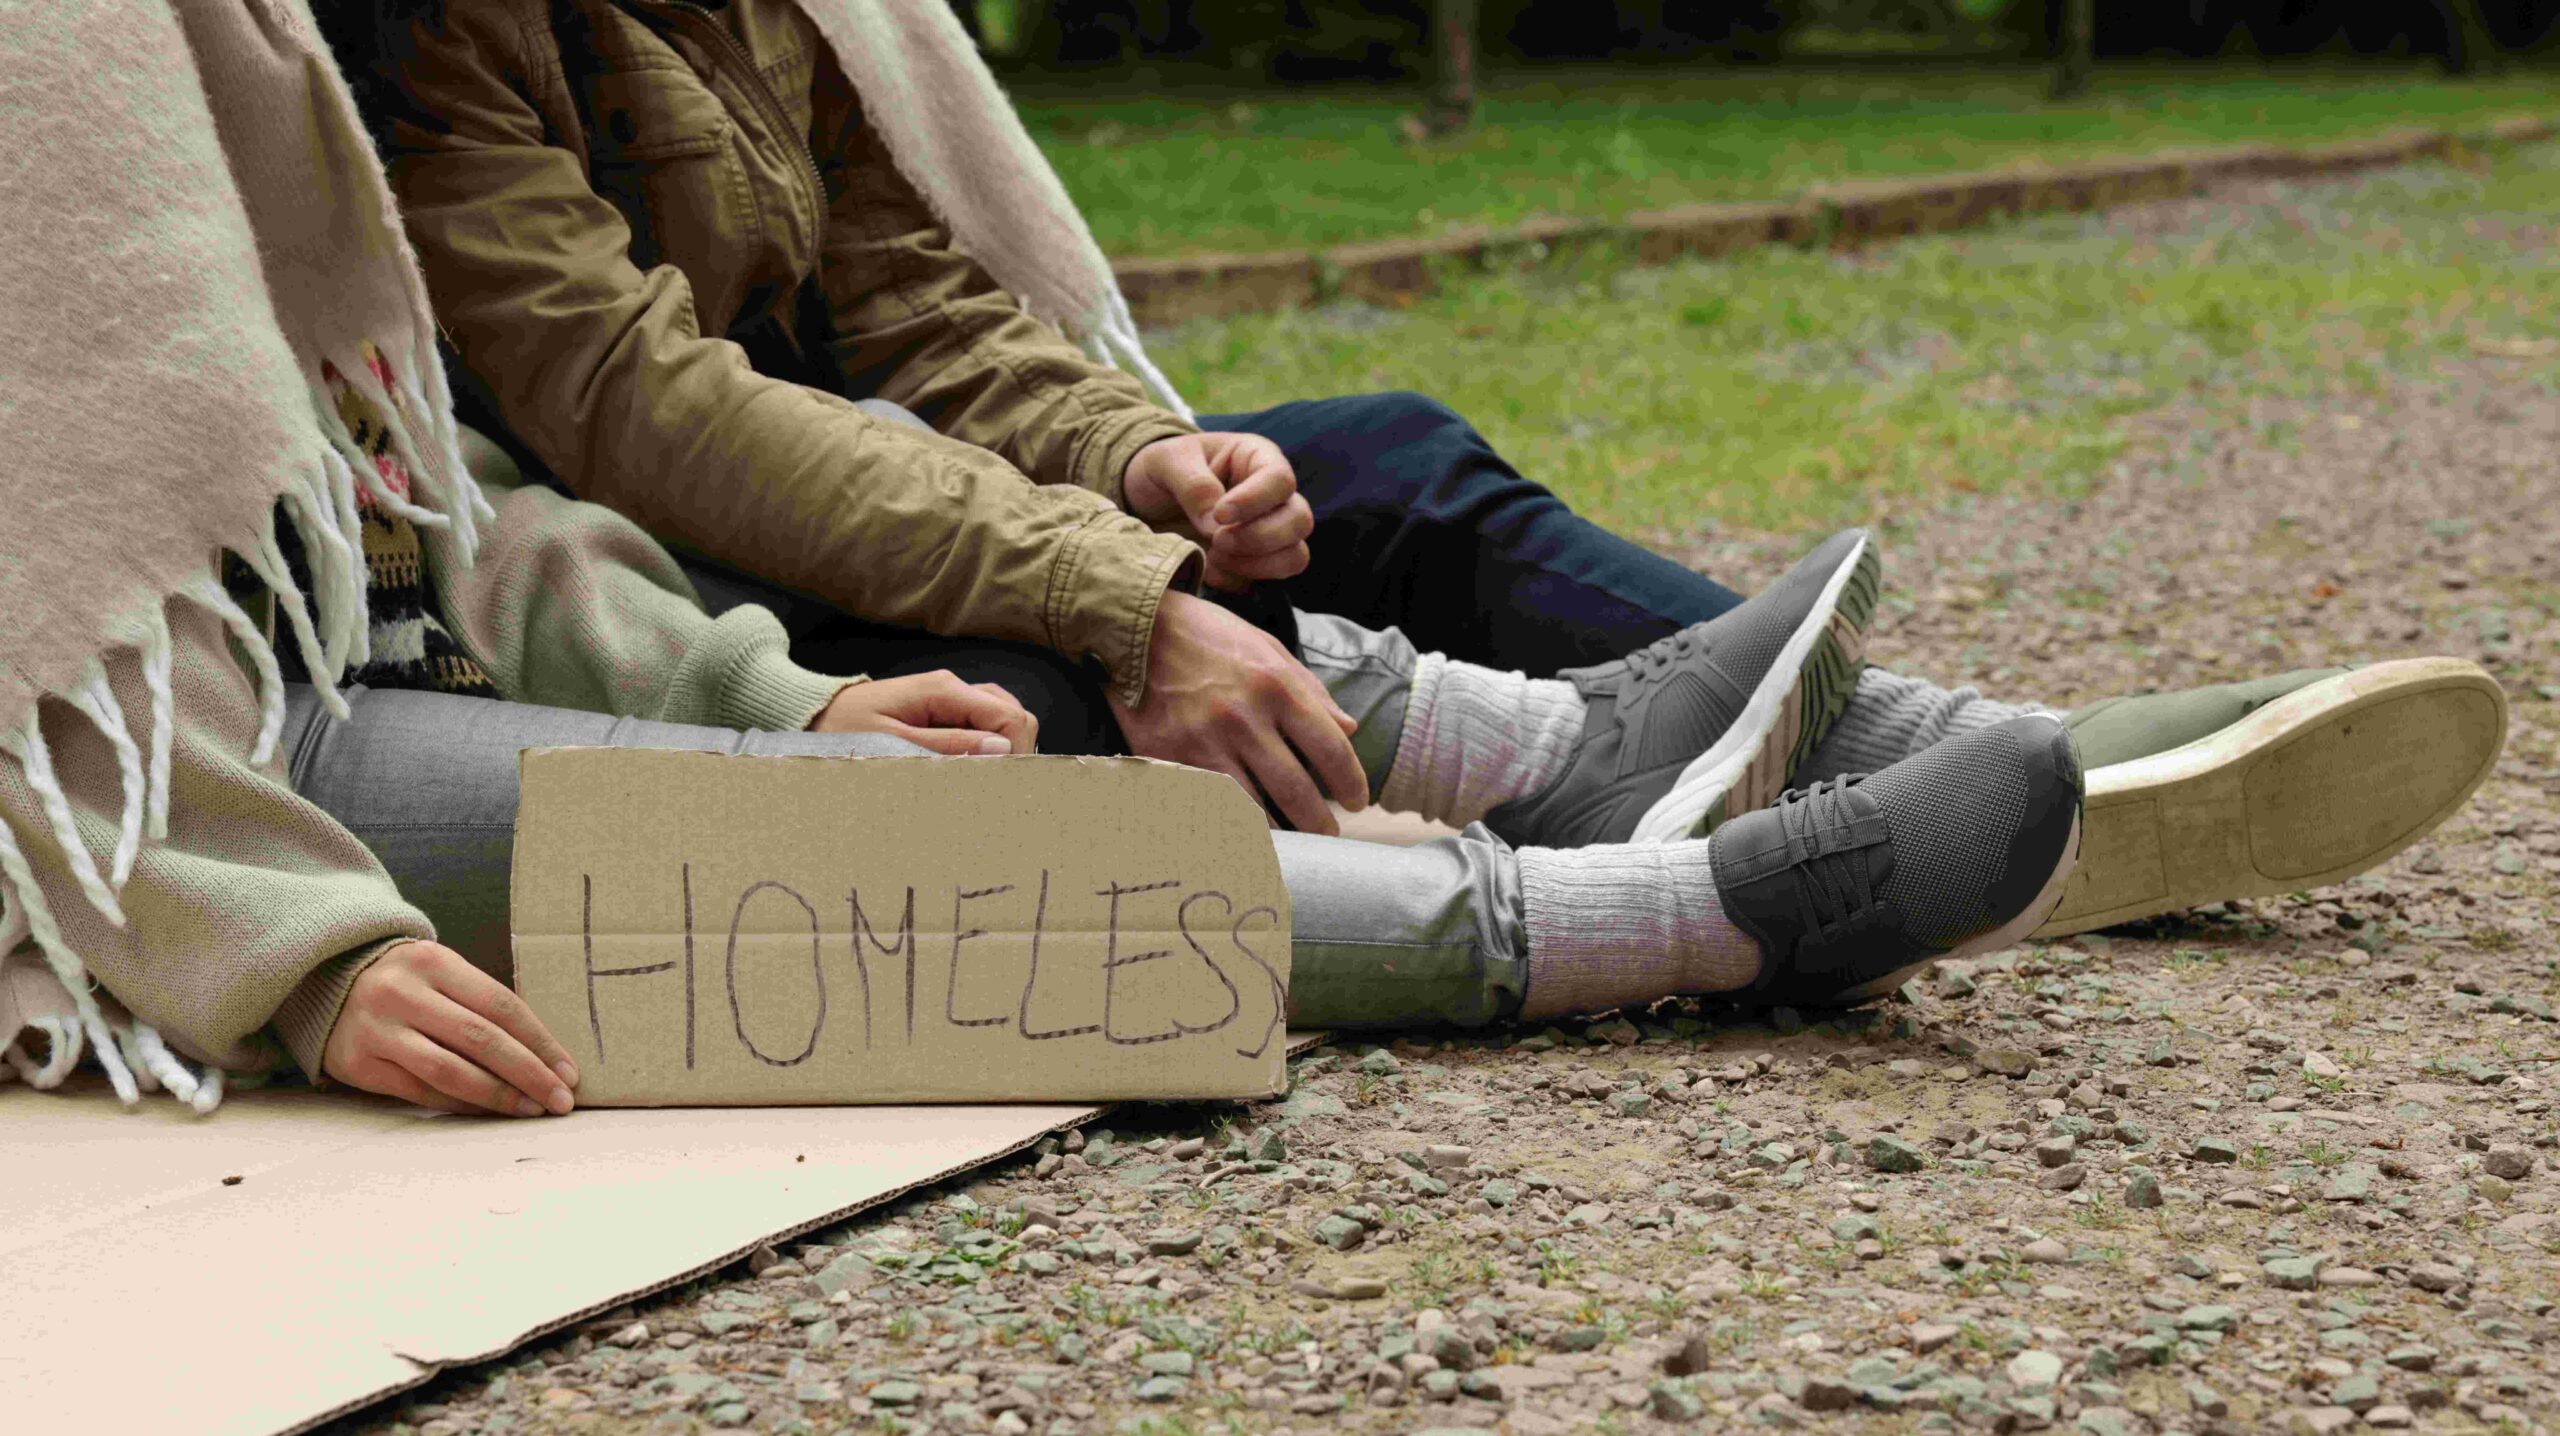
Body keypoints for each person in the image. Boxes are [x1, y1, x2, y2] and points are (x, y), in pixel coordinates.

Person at [0, 0, 2099, 1117]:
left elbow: (474, 507)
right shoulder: (348, 56)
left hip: (671, 563)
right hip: (246, 758)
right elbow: (91, 648)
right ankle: (1683, 903)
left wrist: (1141, 470)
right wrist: (287, 957)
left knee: (1357, 472)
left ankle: (1670, 738)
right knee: (913, 802)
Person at [342, 0, 2507, 934]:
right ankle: (1754, 821)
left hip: (876, 488)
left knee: (1369, 463)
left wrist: (1154, 461)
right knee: (1089, 713)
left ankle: (1869, 740)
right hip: (660, 589)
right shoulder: (431, 41)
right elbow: (639, 406)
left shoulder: (763, 16)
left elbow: (918, 303)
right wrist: (1115, 585)